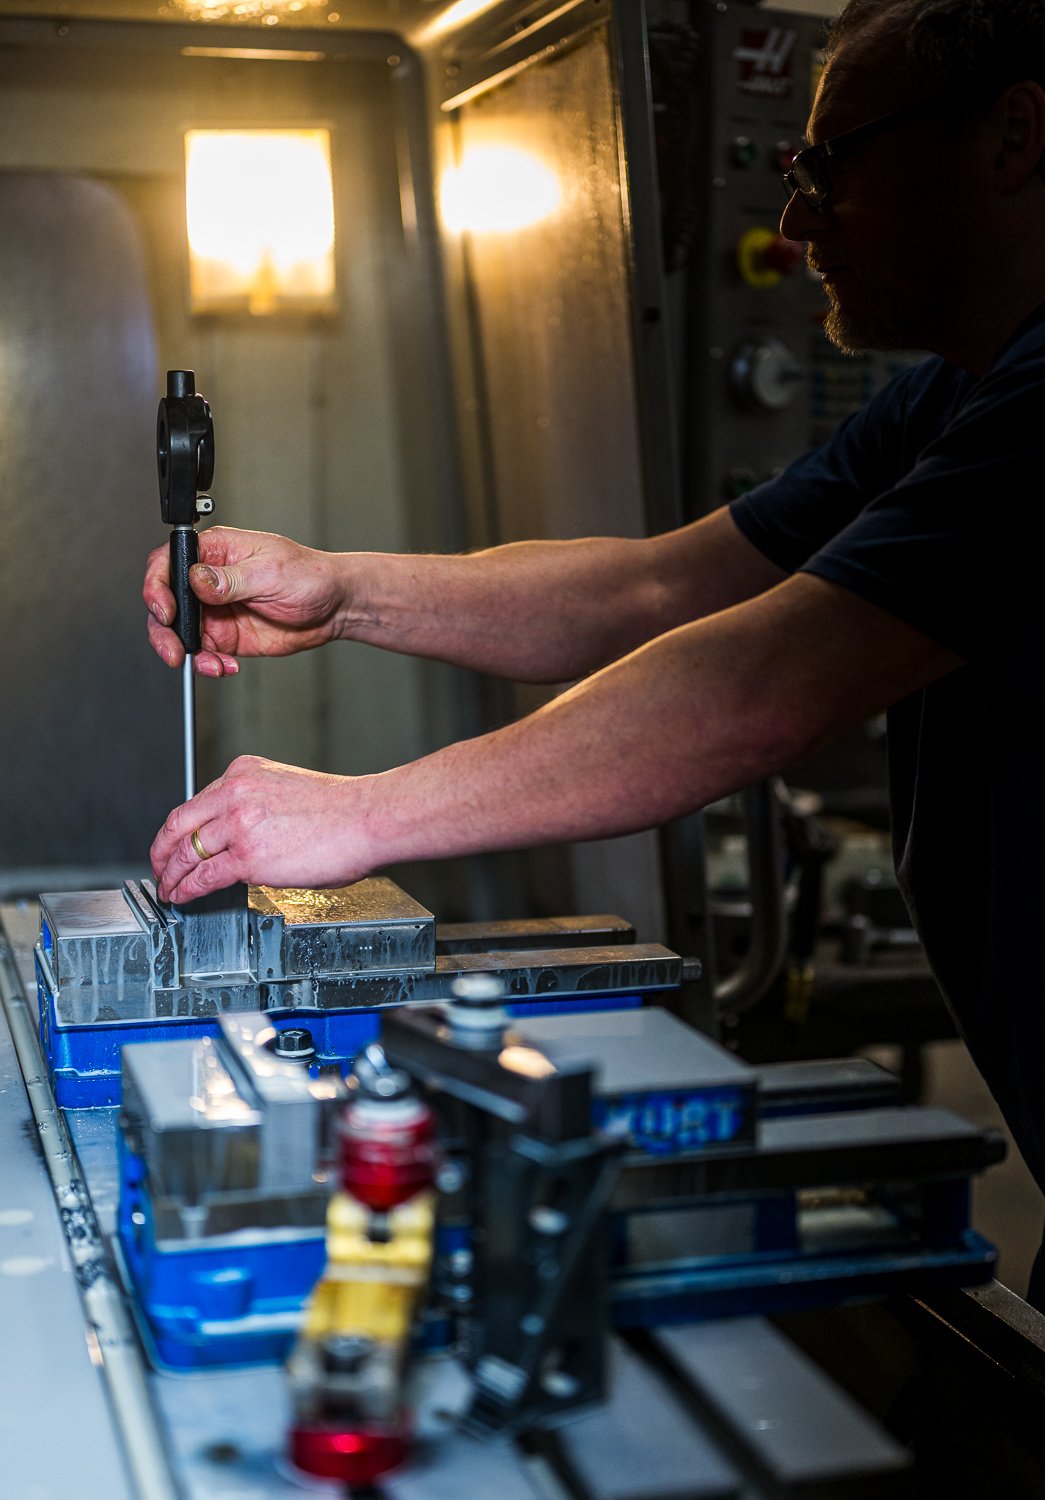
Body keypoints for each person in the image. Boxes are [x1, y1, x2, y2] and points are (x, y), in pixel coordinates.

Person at [145, 0, 1045, 1302]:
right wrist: (336, 593)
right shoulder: (951, 394)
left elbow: (762, 688)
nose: (794, 226)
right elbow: (658, 587)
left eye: (829, 166)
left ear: (1012, 135)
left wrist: (362, 815)